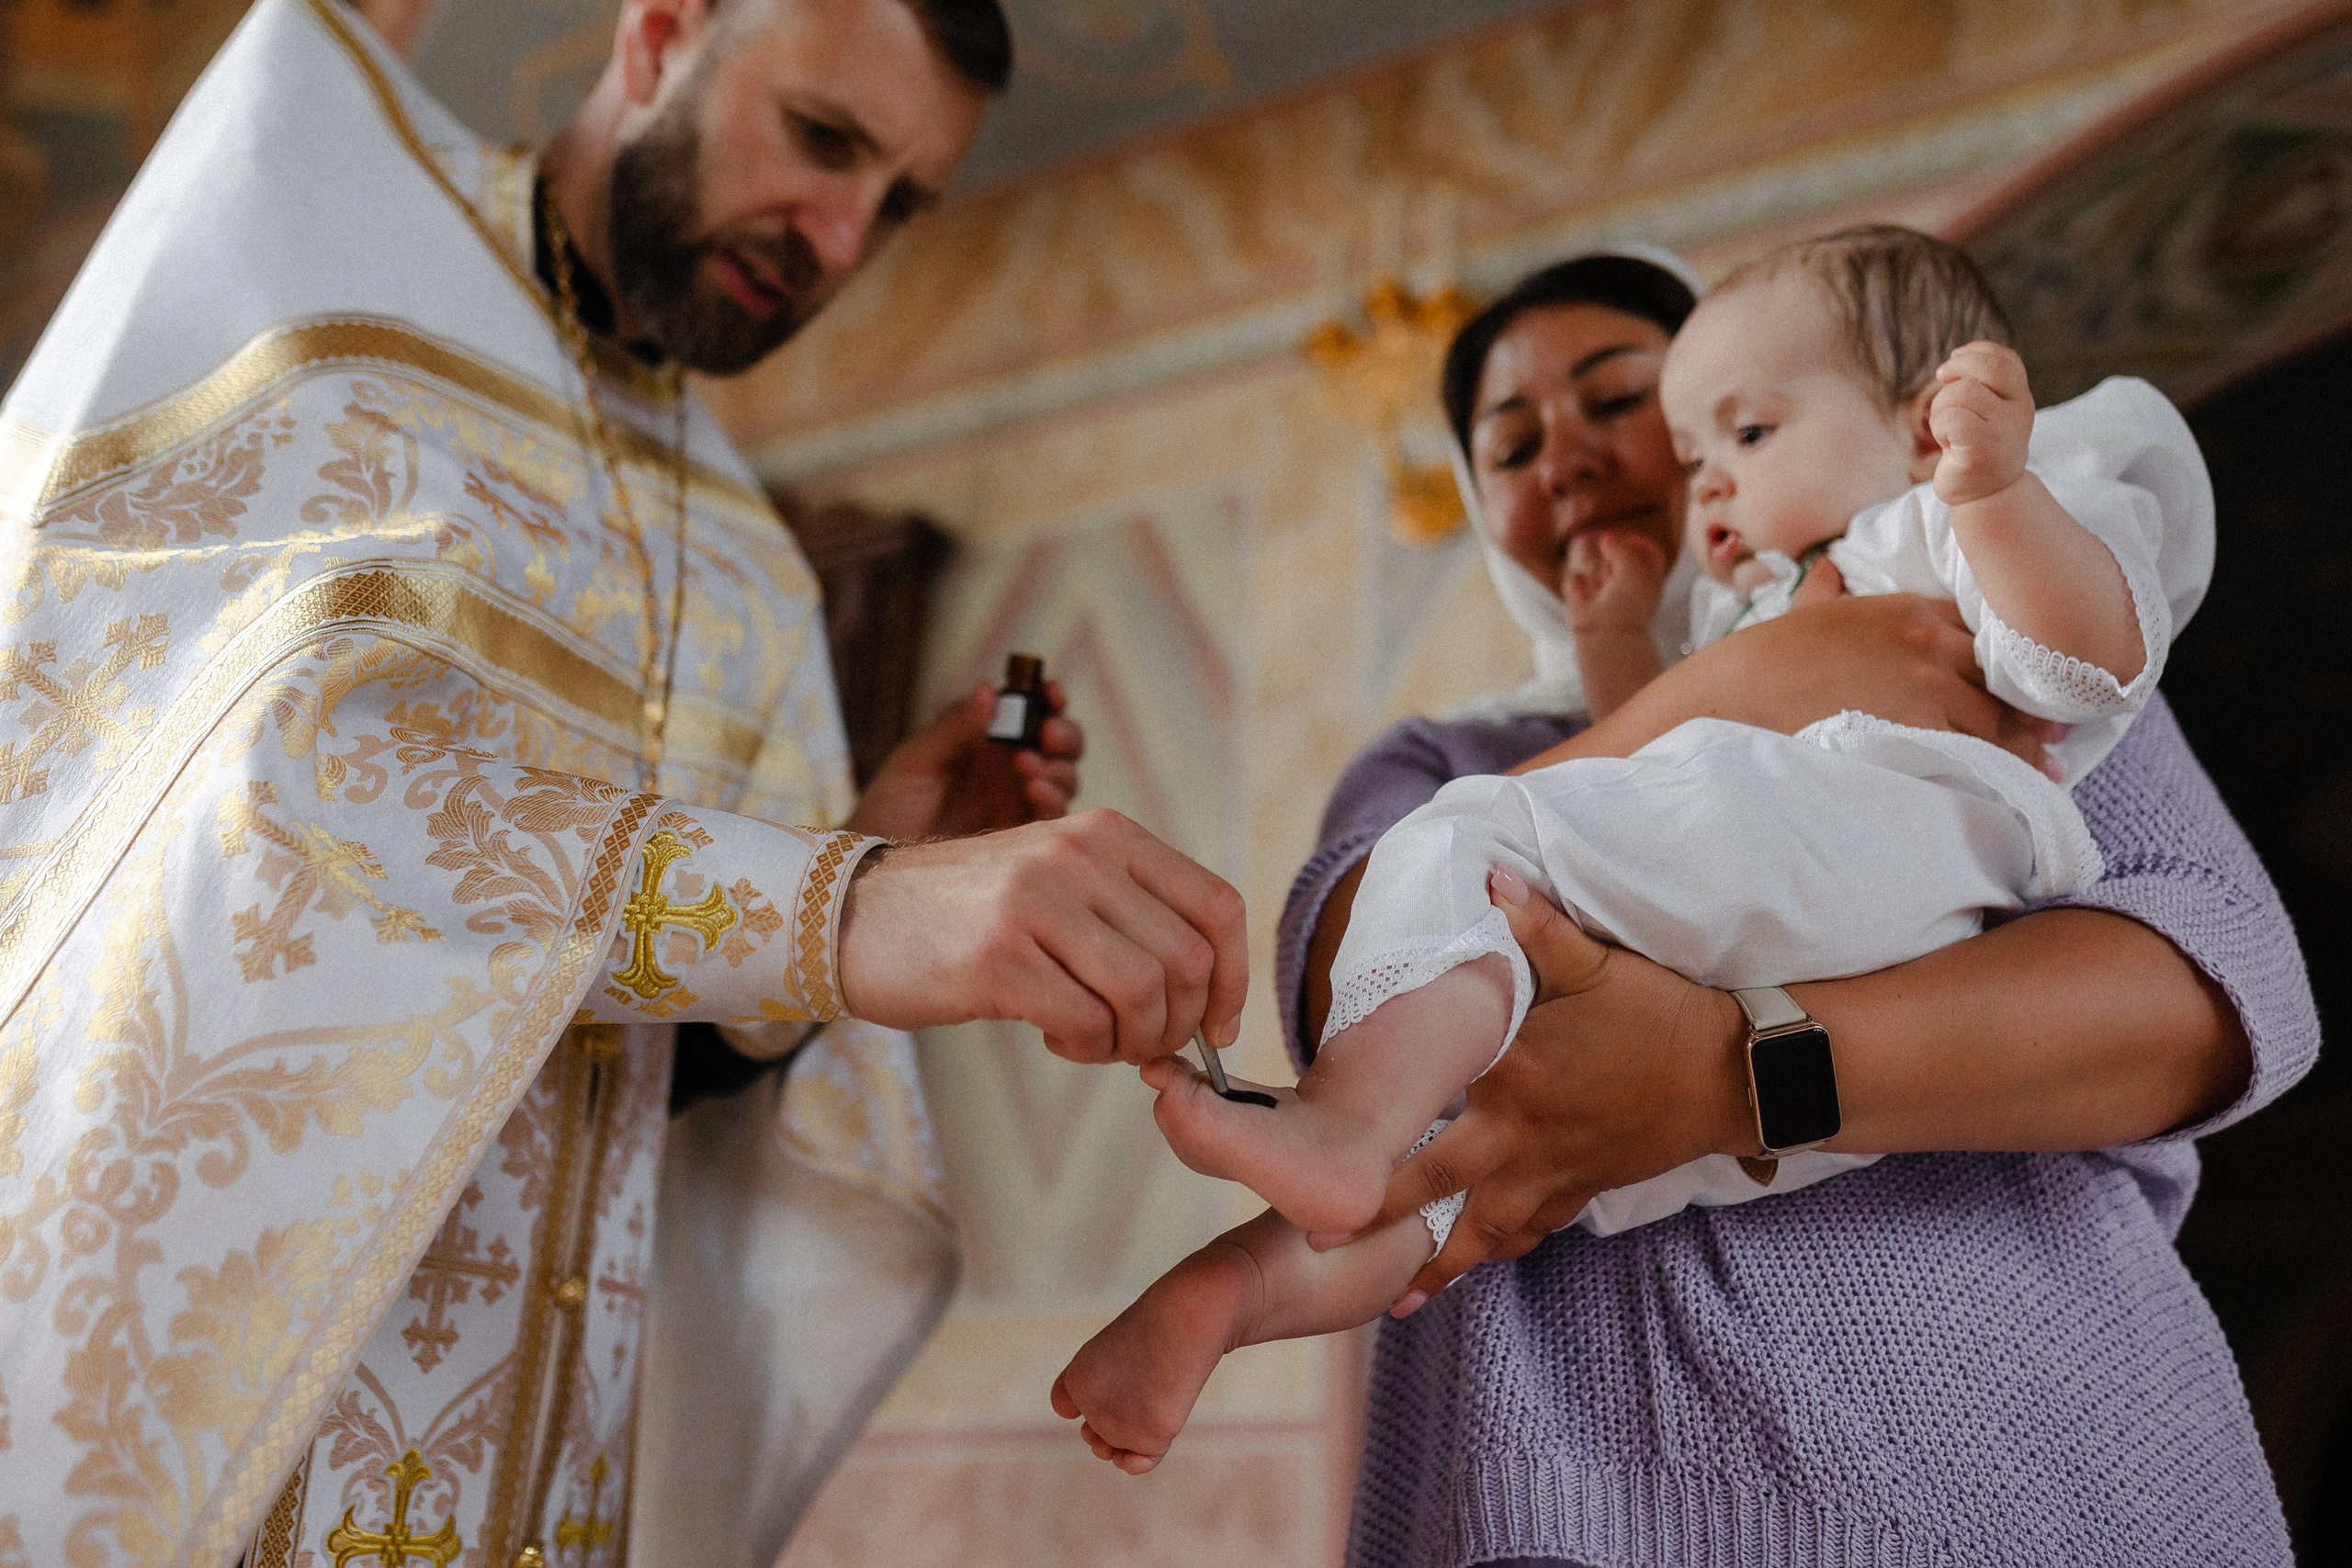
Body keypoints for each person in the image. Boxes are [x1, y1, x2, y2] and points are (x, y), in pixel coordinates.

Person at [0, 2, 1246, 1565]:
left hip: (538, 1486)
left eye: (899, 204)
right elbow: (265, 781)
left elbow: (661, 1086)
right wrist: (840, 906)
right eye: (824, 140)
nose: (841, 236)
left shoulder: (749, 568)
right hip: (216, 1425)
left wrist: (862, 850)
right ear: (659, 35)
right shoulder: (337, 270)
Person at [1081, 247, 2306, 1562]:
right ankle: (1227, 1293)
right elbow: (1343, 992)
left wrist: (1723, 1076)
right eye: (1508, 446)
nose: (1567, 457)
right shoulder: (1438, 763)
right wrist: (1727, 686)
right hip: (1575, 1503)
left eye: (1622, 405)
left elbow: (2220, 992)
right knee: (1408, 1166)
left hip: (2034, 1453)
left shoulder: (1966, 618)